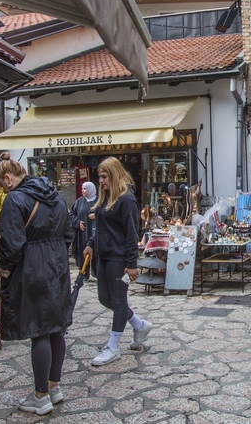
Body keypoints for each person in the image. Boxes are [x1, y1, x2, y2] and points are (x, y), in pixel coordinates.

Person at [0, 156, 74, 415]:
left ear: (8, 178)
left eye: (2, 184)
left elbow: (12, 244)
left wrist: (5, 268)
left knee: (40, 329)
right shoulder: (56, 196)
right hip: (58, 265)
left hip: (33, 267)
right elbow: (69, 232)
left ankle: (40, 396)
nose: (3, 189)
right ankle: (53, 387)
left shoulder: (15, 199)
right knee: (56, 329)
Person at [85, 157, 153, 366]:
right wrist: (91, 244)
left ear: (114, 176)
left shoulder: (127, 201)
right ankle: (139, 324)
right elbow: (101, 227)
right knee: (105, 299)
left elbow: (132, 234)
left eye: (104, 177)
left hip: (119, 258)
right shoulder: (105, 198)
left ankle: (113, 347)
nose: (101, 181)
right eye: (99, 177)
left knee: (118, 301)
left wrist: (132, 264)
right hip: (104, 256)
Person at [69, 181, 96, 280]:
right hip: (83, 233)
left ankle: (97, 273)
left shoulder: (99, 200)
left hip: (95, 232)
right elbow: (71, 214)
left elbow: (106, 212)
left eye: (85, 189)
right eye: (82, 189)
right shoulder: (79, 201)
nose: (83, 191)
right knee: (82, 252)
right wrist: (77, 222)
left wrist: (96, 215)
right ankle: (83, 273)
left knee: (96, 252)